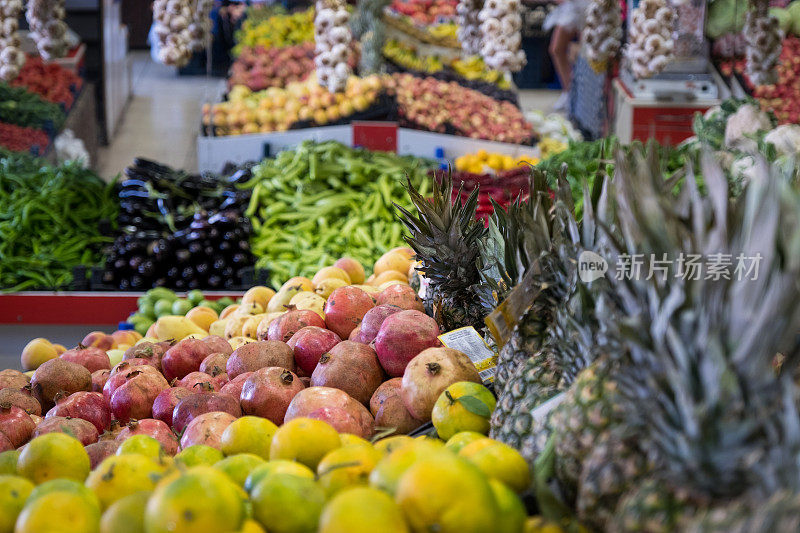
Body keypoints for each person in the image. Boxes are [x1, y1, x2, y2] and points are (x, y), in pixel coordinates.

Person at [544, 0, 589, 112]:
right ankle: (569, 92)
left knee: (586, 52)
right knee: (557, 49)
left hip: (587, 6)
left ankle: (579, 96)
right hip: (571, 7)